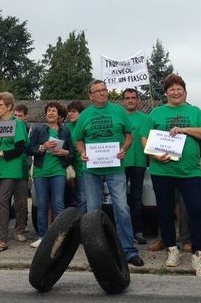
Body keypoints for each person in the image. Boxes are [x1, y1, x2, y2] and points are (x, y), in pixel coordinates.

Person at [140, 74, 201, 275]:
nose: (176, 91)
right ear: (166, 93)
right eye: (172, 89)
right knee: (165, 211)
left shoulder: (195, 112)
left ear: (185, 92)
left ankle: (198, 255)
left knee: (197, 210)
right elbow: (144, 137)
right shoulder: (156, 113)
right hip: (162, 170)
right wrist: (153, 154)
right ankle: (172, 249)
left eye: (179, 88)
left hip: (190, 171)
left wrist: (185, 130)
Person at [73, 80, 144, 267]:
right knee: (93, 211)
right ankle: (97, 251)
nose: (103, 93)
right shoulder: (85, 115)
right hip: (91, 171)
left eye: (104, 90)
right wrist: (82, 151)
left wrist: (124, 148)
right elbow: (78, 139)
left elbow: (129, 135)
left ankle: (128, 251)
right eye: (98, 91)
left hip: (116, 168)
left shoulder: (118, 111)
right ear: (90, 95)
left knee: (122, 208)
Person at [0, 92, 29, 253]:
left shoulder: (17, 124)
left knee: (2, 201)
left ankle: (3, 240)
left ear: (9, 106)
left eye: (0, 105)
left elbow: (20, 148)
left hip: (11, 169)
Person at [28, 102, 73, 248]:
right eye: (49, 111)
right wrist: (43, 147)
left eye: (54, 111)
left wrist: (65, 152)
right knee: (42, 204)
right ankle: (42, 237)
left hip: (58, 170)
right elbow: (29, 149)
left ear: (59, 115)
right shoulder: (38, 129)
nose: (51, 113)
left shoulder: (65, 131)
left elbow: (72, 152)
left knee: (58, 203)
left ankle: (60, 236)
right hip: (40, 171)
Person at [121, 88, 148, 245]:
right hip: (121, 162)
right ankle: (122, 231)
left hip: (139, 163)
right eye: (127, 98)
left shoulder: (146, 118)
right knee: (120, 199)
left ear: (137, 100)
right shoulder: (119, 117)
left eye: (133, 97)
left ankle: (137, 230)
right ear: (123, 100)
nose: (130, 100)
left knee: (136, 198)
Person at [12, 103, 30, 241]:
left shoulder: (27, 128)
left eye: (20, 116)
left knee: (21, 202)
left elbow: (28, 147)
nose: (17, 118)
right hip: (5, 168)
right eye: (15, 115)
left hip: (22, 169)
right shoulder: (6, 126)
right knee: (2, 201)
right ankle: (1, 228)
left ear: (25, 117)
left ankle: (20, 229)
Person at [66, 101, 87, 213]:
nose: (70, 114)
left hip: (85, 167)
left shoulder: (86, 125)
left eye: (73, 111)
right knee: (78, 198)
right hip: (72, 169)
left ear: (81, 113)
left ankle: (87, 224)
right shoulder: (66, 128)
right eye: (69, 112)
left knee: (83, 197)